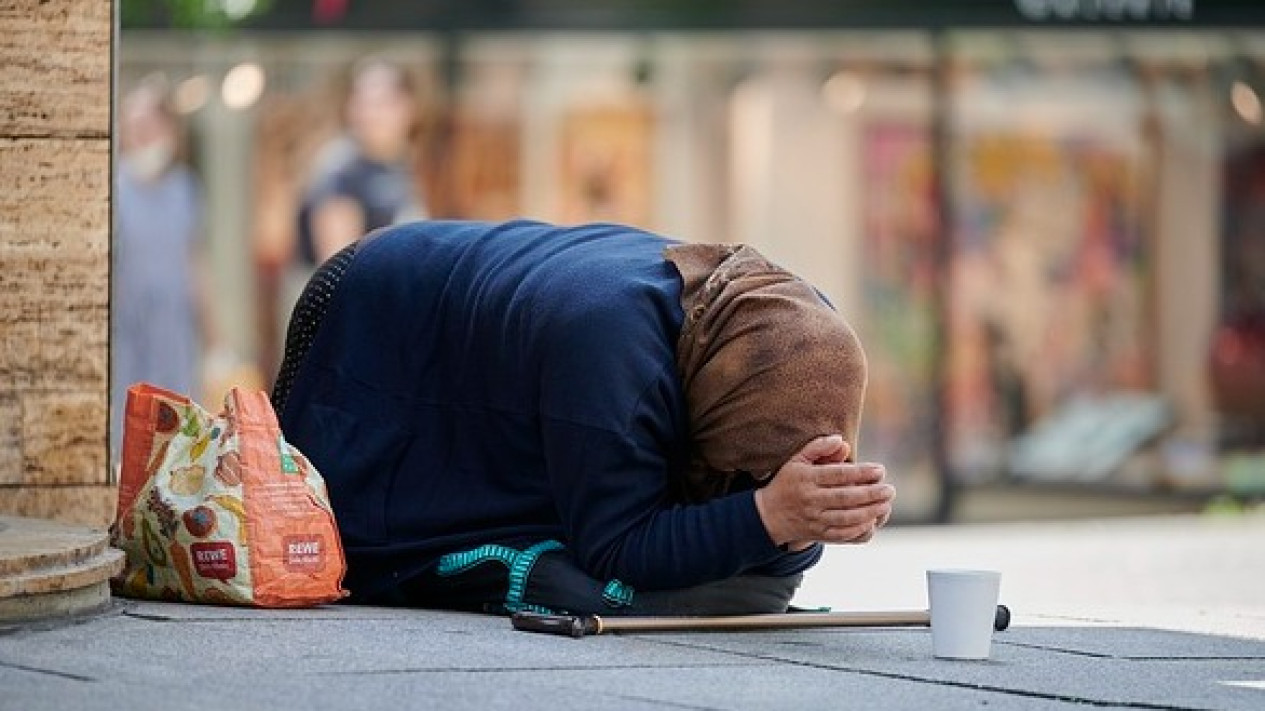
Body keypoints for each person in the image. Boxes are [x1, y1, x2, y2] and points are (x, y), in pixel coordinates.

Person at [273, 219, 892, 616]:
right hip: (371, 314)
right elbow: (618, 544)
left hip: (471, 323)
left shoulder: (787, 324)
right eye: (744, 472)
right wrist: (769, 516)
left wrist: (810, 521)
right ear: (725, 415)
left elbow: (751, 534)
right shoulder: (617, 355)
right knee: (329, 526)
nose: (746, 487)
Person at [112, 82, 216, 461]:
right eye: (134, 127)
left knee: (175, 430)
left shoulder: (185, 190)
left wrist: (215, 338)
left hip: (173, 328)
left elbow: (195, 262)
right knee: (125, 429)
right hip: (126, 327)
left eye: (151, 127)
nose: (142, 138)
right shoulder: (113, 189)